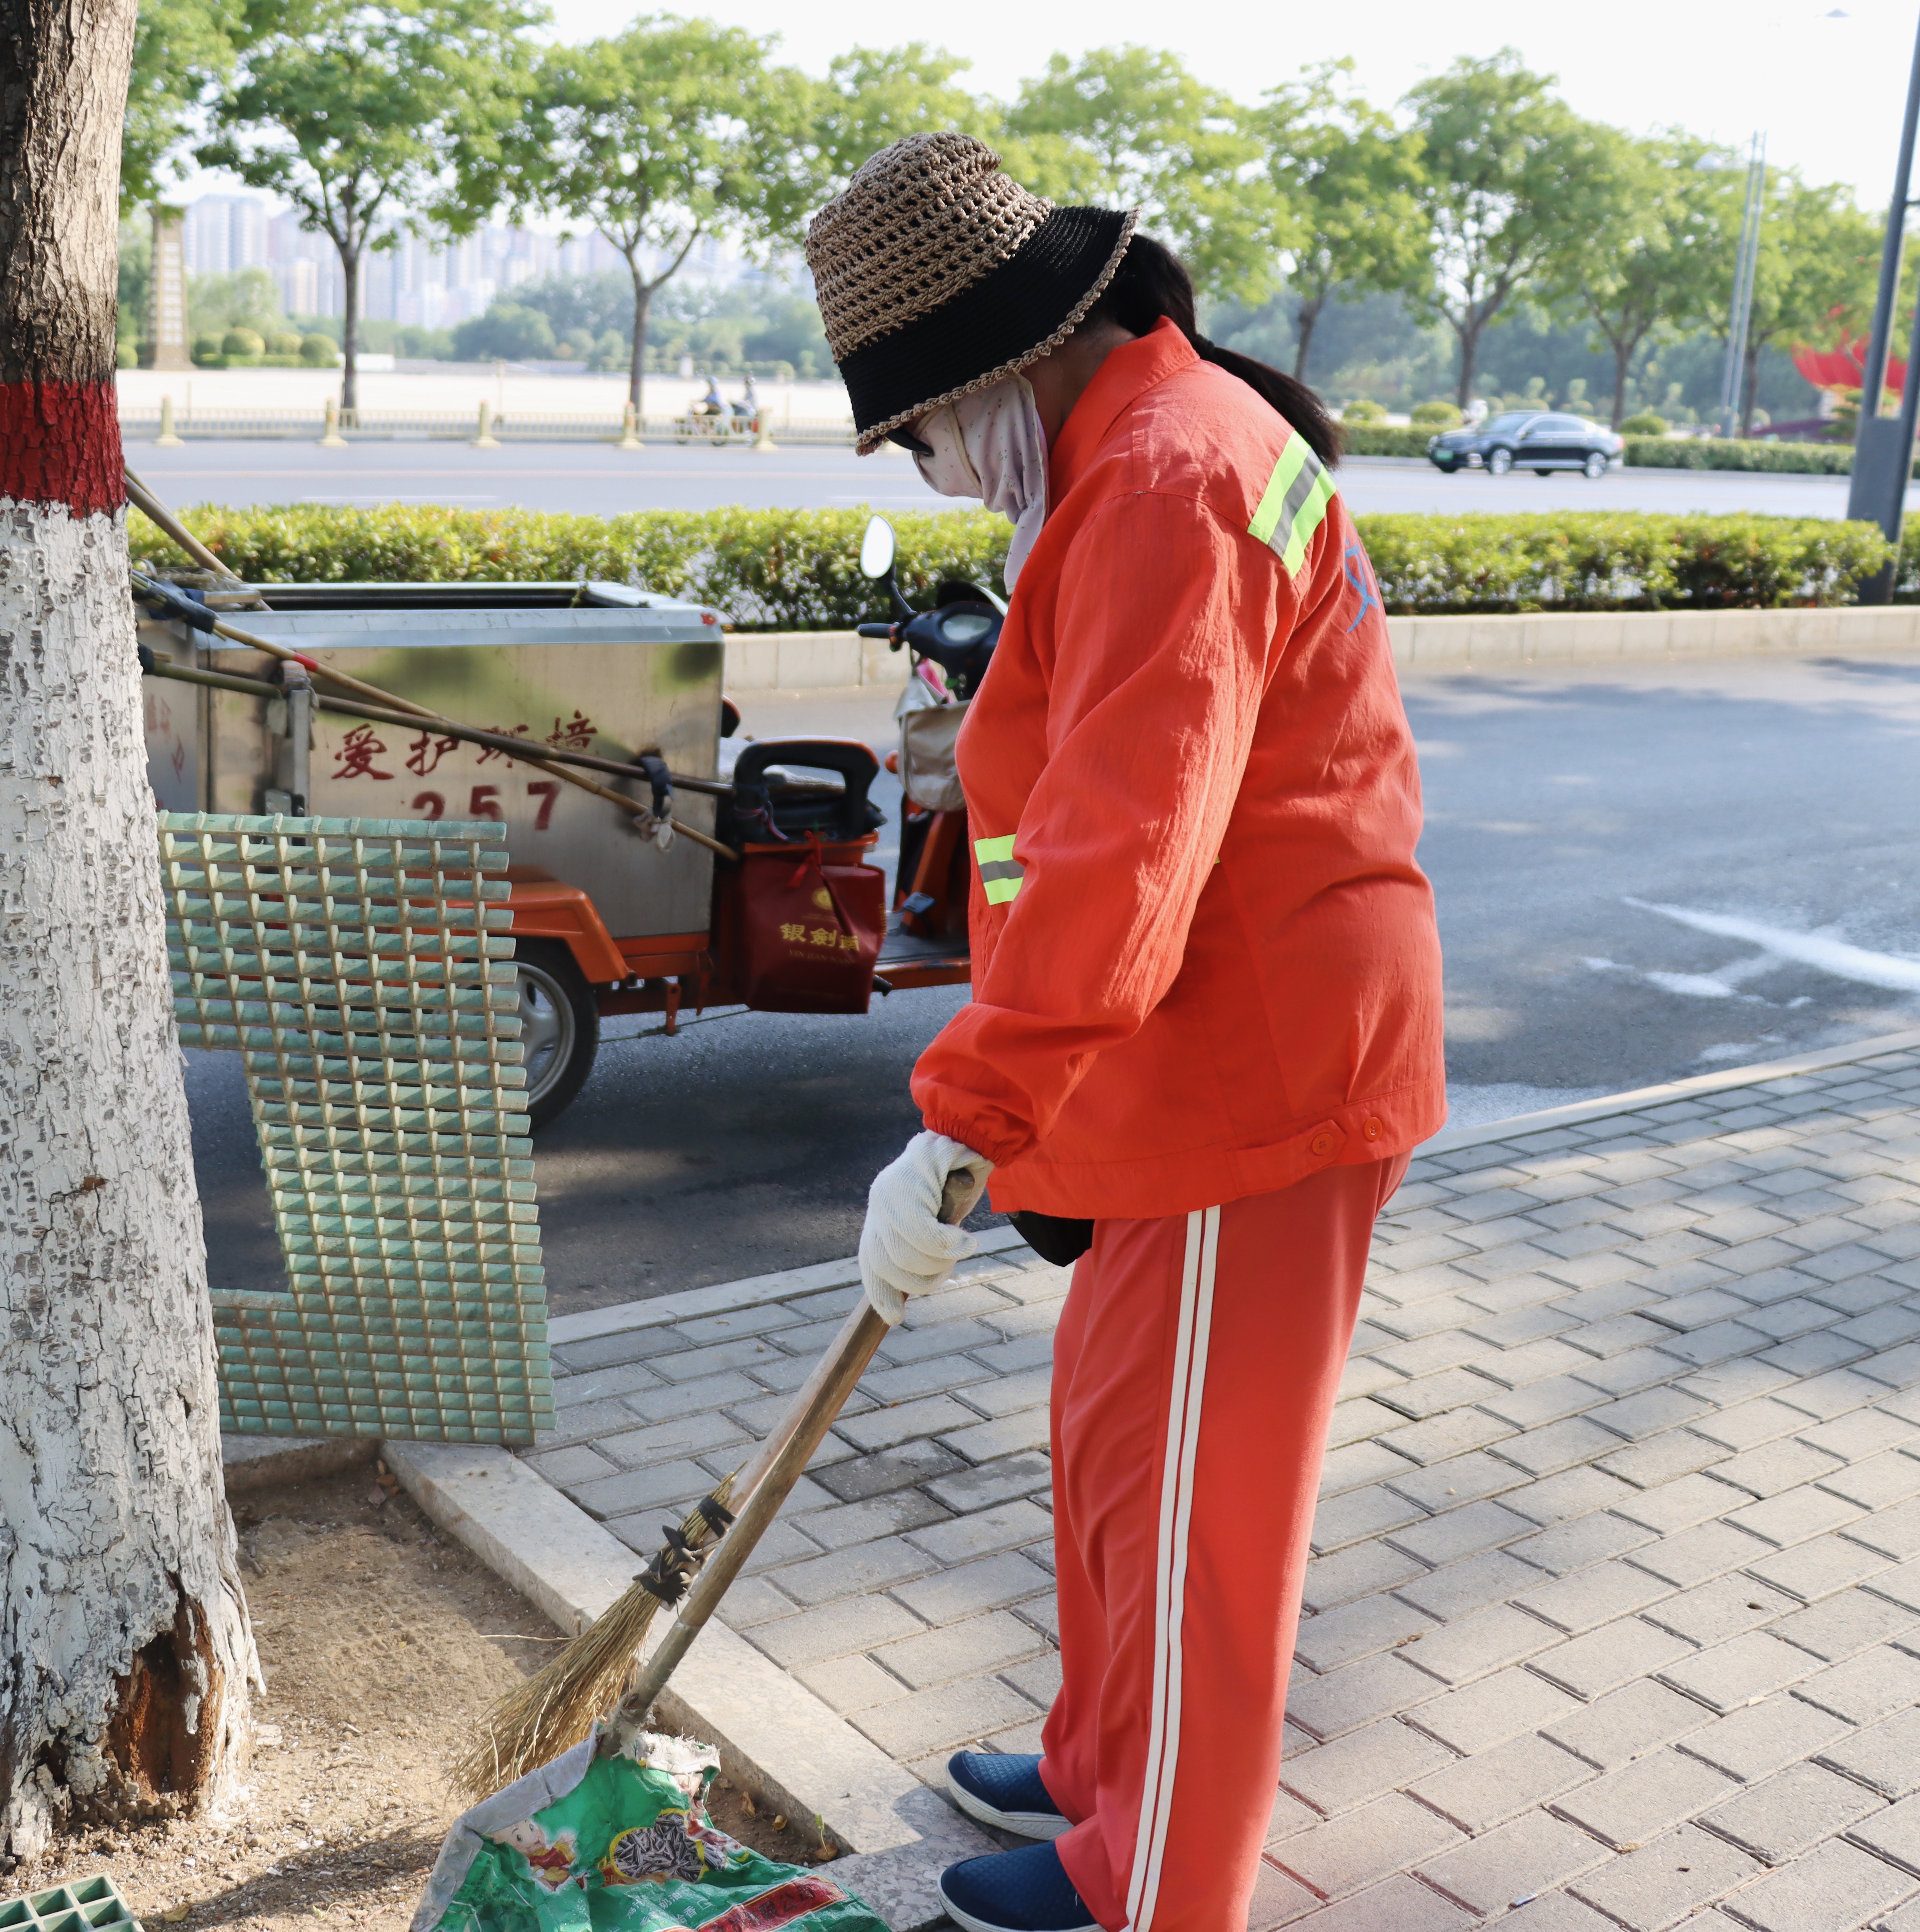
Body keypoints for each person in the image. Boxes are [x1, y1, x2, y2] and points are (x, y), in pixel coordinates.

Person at [805, 134, 1445, 1932]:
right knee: (1114, 1444)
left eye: (920, 435)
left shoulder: (1171, 480)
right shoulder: (1125, 458)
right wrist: (1043, 1118)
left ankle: (1152, 1878)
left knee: (1198, 1511)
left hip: (1260, 1073)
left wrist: (970, 1116)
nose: (931, 476)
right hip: (1180, 1054)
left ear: (993, 370)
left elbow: (1119, 850)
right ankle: (1102, 1756)